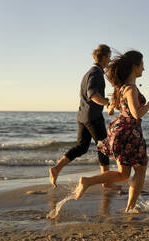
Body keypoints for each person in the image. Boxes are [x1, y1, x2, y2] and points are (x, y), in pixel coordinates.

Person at [75, 50, 149, 212]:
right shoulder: (131, 88)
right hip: (130, 132)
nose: (144, 69)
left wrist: (113, 107)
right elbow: (136, 114)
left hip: (121, 131)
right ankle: (129, 208)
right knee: (140, 169)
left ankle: (87, 181)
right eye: (142, 65)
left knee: (123, 174)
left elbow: (116, 108)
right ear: (135, 66)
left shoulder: (122, 88)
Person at [49, 44, 116, 189]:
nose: (110, 60)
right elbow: (92, 94)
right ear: (104, 57)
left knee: (81, 147)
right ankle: (106, 181)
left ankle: (56, 168)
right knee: (104, 146)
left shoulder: (88, 72)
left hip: (83, 116)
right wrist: (107, 102)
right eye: (109, 57)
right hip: (93, 117)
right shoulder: (96, 72)